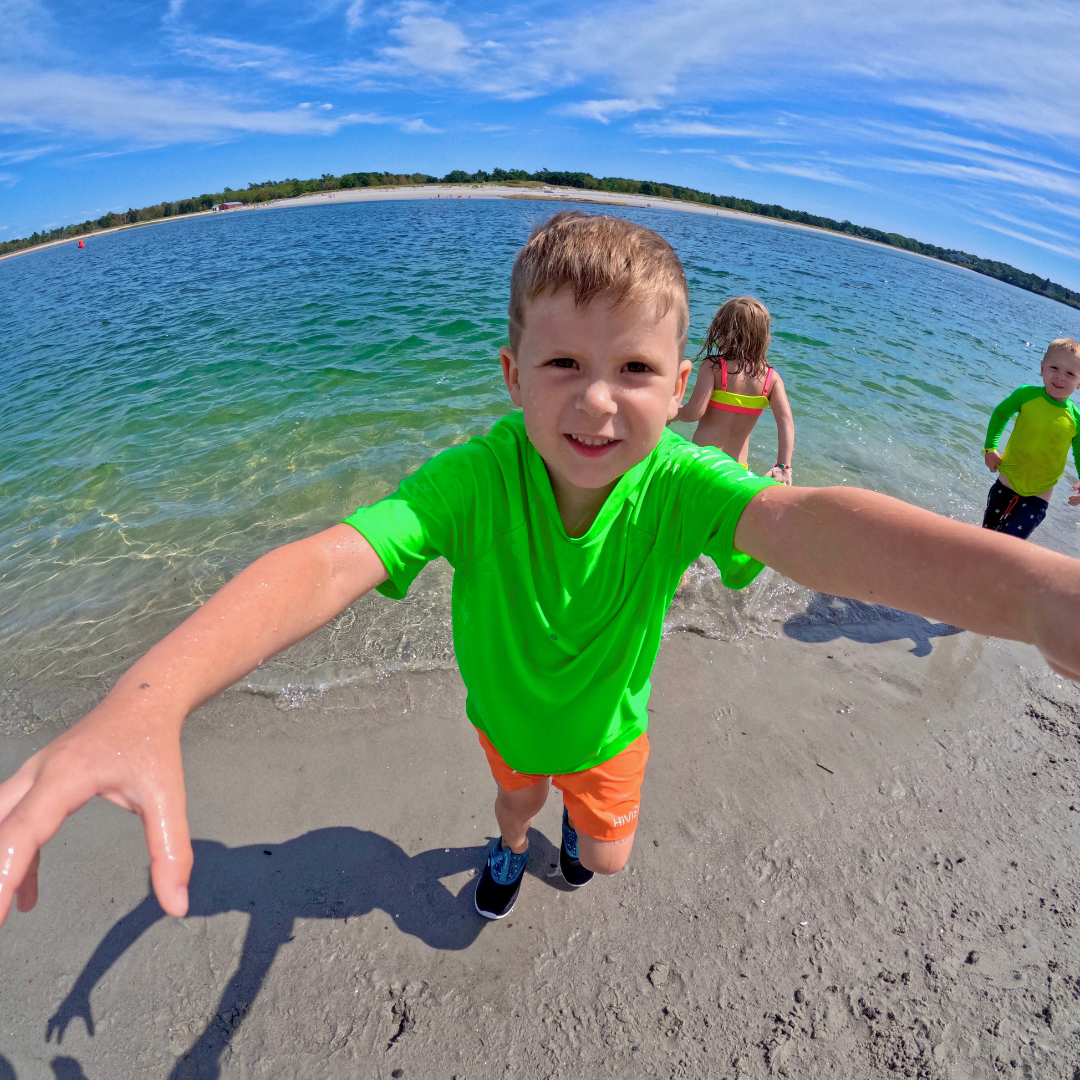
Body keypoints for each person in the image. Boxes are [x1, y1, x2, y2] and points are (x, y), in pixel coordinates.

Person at [3, 211, 1080, 931]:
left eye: (635, 370)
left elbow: (812, 526)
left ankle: (569, 830)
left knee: (604, 862)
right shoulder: (475, 479)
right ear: (514, 374)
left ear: (680, 388)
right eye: (564, 363)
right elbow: (332, 559)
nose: (600, 400)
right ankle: (511, 845)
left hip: (611, 731)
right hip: (509, 718)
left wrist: (1039, 592)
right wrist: (149, 697)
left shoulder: (683, 483)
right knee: (514, 803)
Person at [675, 295, 794, 484]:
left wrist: (673, 414)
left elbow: (694, 413)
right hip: (737, 471)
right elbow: (785, 421)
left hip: (703, 463)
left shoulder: (714, 367)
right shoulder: (771, 379)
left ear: (724, 331)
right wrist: (783, 466)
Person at [982, 337, 1080, 539]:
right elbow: (1001, 414)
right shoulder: (1025, 395)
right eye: (1054, 368)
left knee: (1009, 546)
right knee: (986, 539)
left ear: (1079, 382)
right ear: (1042, 368)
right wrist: (990, 448)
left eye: (1070, 373)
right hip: (1005, 485)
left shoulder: (1076, 420)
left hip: (1037, 498)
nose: (1060, 377)